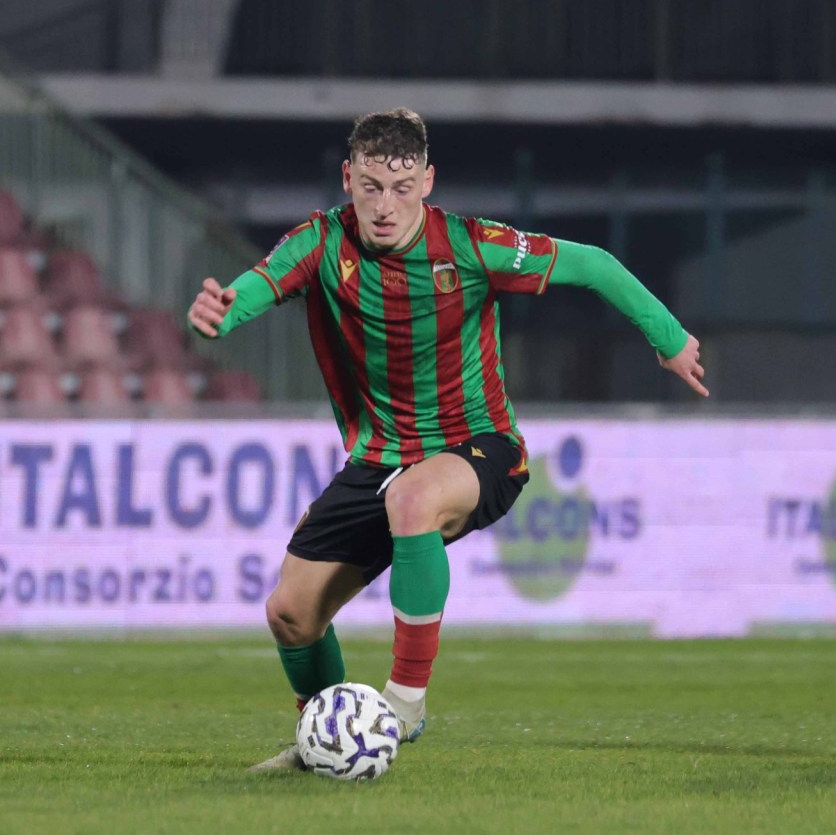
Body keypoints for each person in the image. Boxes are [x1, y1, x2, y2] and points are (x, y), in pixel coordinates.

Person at [187, 108, 708, 770]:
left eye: (401, 189)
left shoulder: (470, 245)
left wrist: (669, 340)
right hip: (377, 458)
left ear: (427, 182)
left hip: (479, 448)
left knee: (412, 499)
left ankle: (404, 704)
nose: (384, 206)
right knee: (290, 612)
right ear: (348, 178)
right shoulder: (320, 242)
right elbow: (255, 286)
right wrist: (219, 312)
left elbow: (595, 265)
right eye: (370, 186)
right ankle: (333, 739)